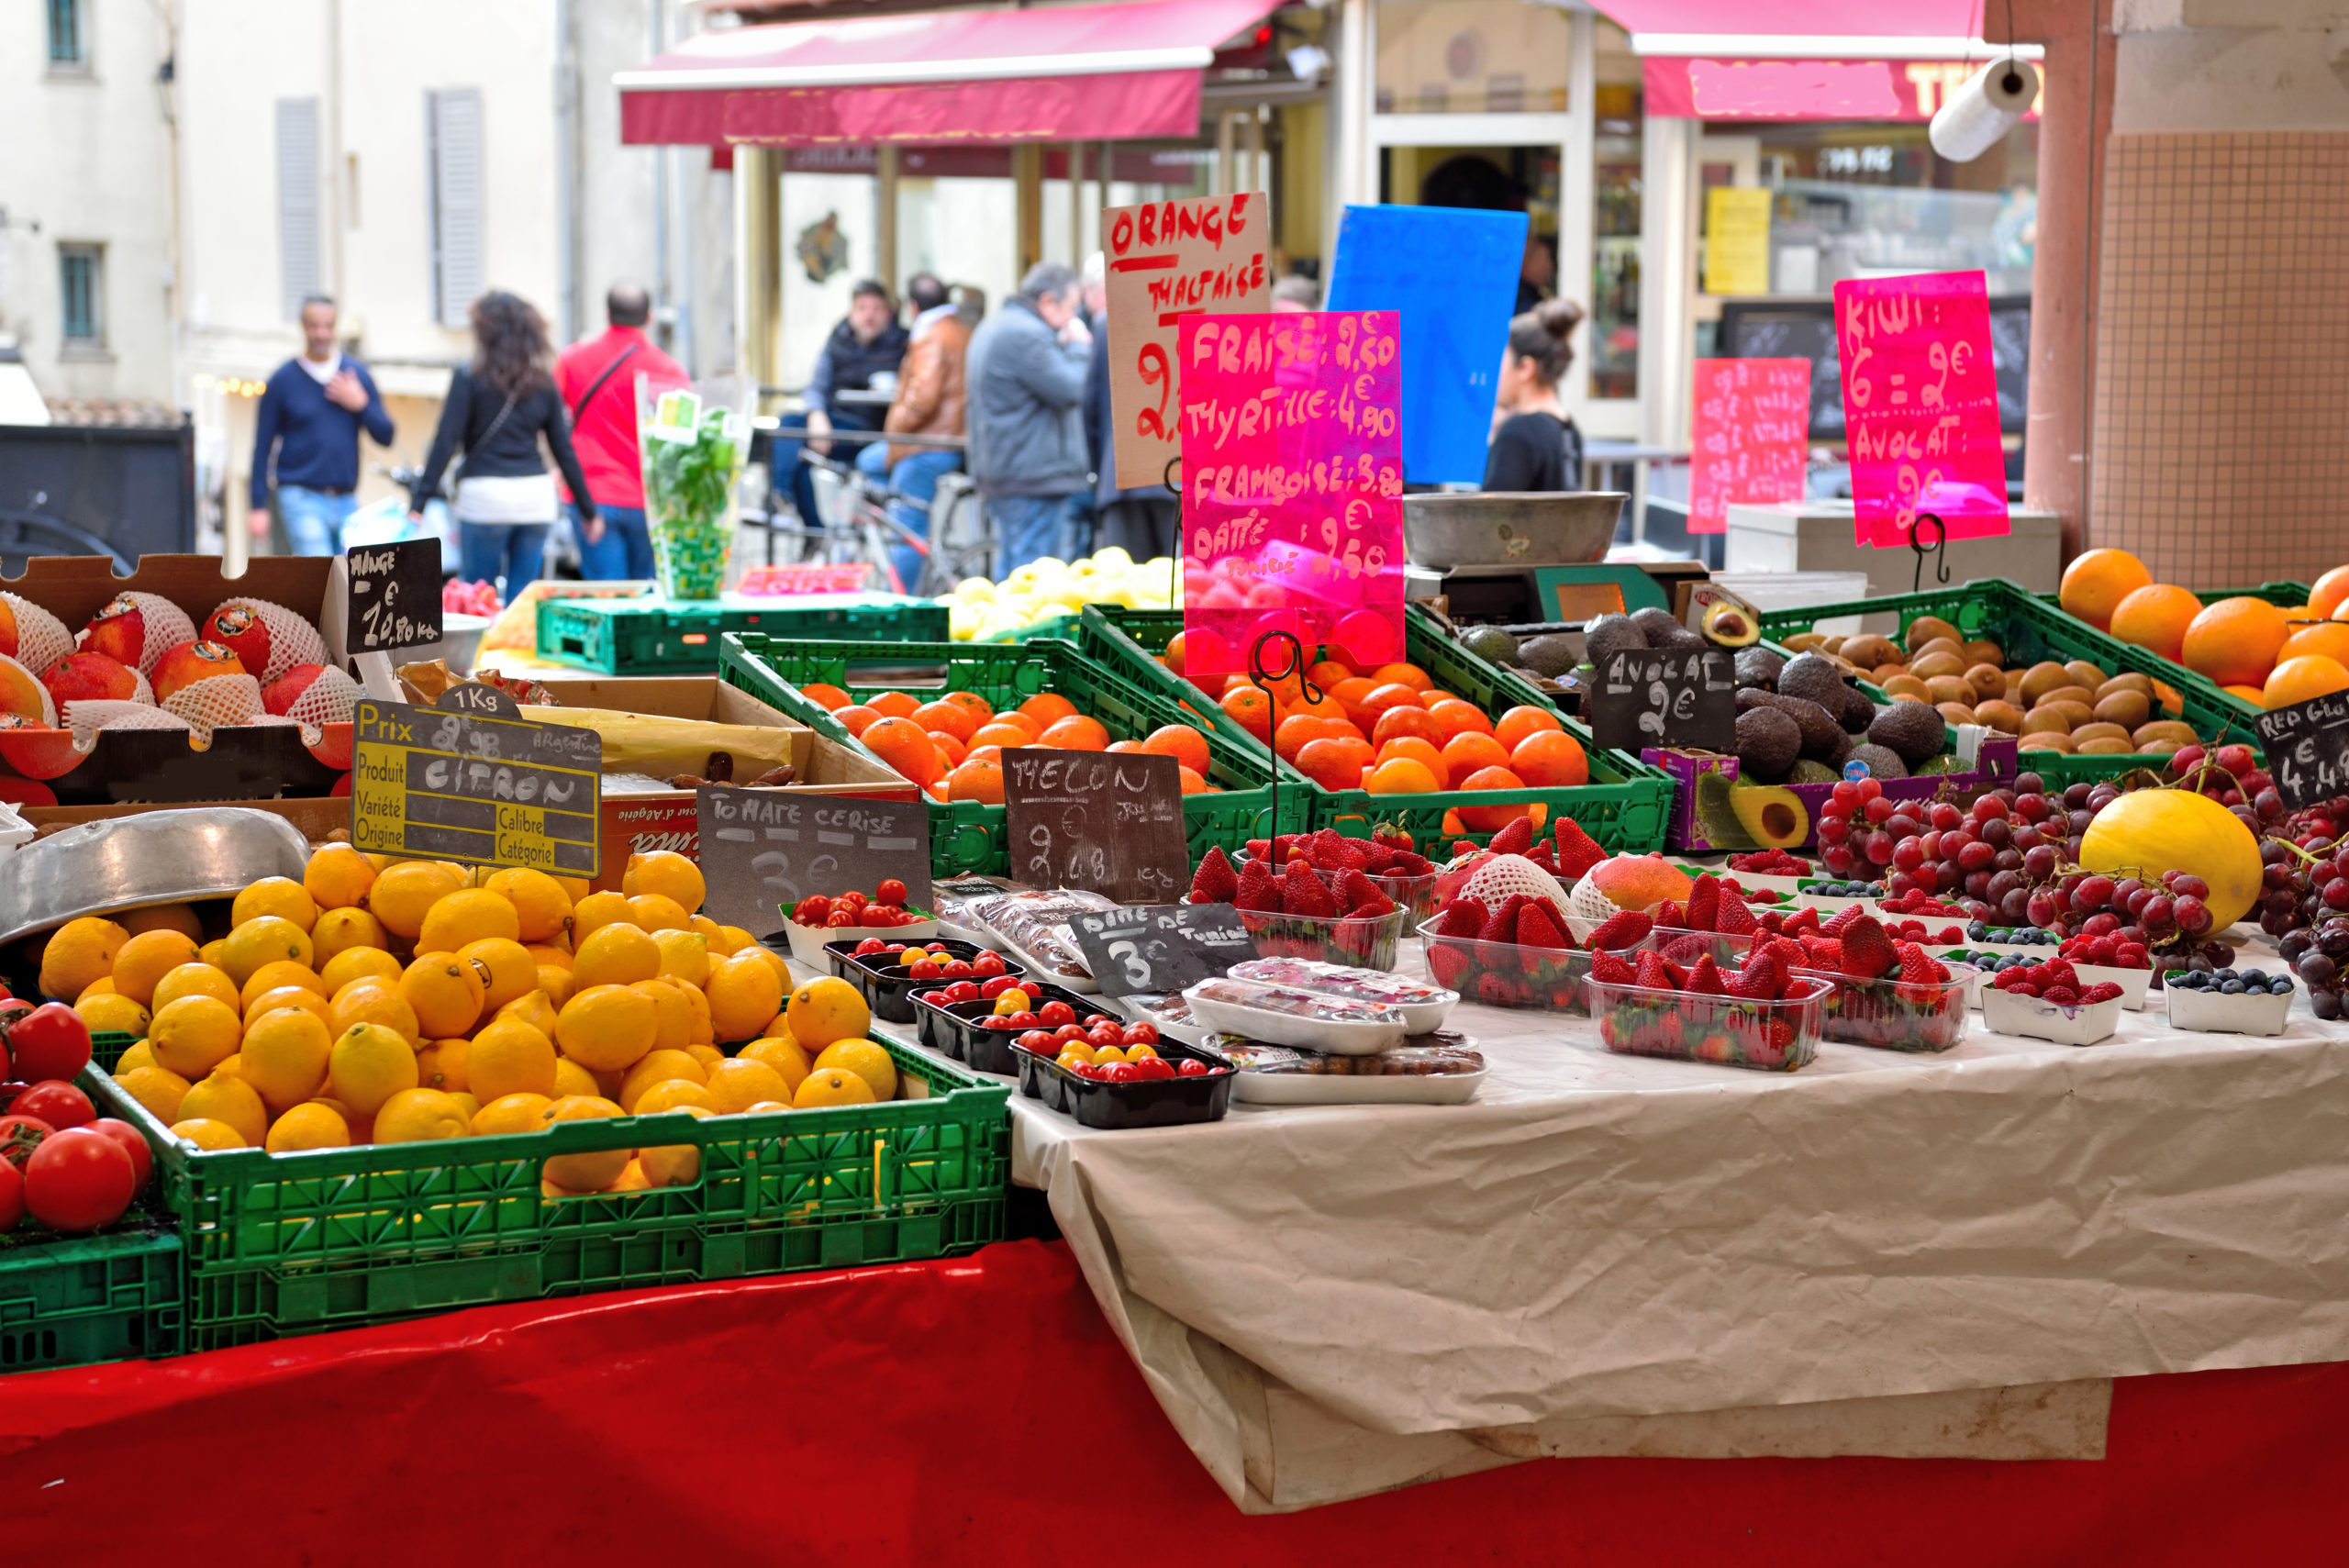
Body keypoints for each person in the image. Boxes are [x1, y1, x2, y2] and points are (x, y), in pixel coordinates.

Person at [411, 292, 598, 598]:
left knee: (476, 596)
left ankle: (480, 648)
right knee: (522, 599)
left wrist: (419, 502)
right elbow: (564, 451)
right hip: (534, 500)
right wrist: (589, 512)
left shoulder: (469, 375)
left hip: (484, 498)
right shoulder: (542, 381)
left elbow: (446, 441)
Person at [553, 282, 689, 581]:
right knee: (647, 595)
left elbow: (549, 422)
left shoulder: (571, 360)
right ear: (649, 317)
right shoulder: (670, 371)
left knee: (607, 595)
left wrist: (555, 468)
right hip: (649, 500)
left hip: (592, 497)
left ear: (607, 314)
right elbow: (681, 443)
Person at [965, 261, 1091, 578]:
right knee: (1031, 580)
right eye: (1071, 308)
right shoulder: (1026, 334)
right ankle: (1023, 631)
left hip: (1009, 471)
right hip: (1032, 477)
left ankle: (1005, 629)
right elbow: (1071, 388)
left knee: (1012, 573)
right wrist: (1078, 347)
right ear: (1048, 301)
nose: (1072, 319)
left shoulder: (996, 325)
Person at [247, 295, 395, 555]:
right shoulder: (283, 380)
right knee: (322, 574)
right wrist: (258, 506)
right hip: (299, 496)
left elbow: (386, 435)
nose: (321, 333)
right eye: (314, 326)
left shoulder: (354, 375)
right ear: (304, 327)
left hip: (346, 498)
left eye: (327, 326)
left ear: (335, 327)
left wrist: (361, 405)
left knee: (353, 577)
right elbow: (262, 447)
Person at [852, 273, 969, 592]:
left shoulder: (930, 335)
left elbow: (922, 400)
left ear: (913, 306)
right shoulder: (960, 330)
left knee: (907, 527)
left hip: (927, 446)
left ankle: (900, 600)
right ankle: (884, 520)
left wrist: (895, 427)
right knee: (870, 461)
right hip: (948, 441)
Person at [783, 279, 909, 531]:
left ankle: (807, 526)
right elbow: (817, 385)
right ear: (852, 313)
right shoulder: (838, 340)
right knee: (787, 428)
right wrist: (817, 416)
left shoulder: (902, 344)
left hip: (868, 430)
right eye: (862, 308)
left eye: (876, 309)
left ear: (887, 313)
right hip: (834, 423)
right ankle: (786, 504)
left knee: (793, 445)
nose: (869, 315)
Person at [1081, 251, 1176, 562]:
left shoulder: (1106, 323)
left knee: (1128, 588)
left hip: (1121, 476)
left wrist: (1100, 467)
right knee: (1183, 591)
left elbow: (1091, 406)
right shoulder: (1201, 318)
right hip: (1180, 475)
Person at [1485, 298, 1586, 493]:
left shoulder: (1518, 432)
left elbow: (1488, 516)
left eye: (1502, 361)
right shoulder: (1569, 428)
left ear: (1525, 368)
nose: (1497, 373)